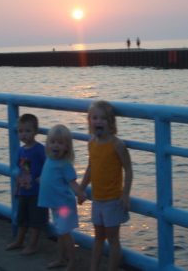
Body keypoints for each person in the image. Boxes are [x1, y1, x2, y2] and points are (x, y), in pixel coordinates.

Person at [80, 100, 133, 271]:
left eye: (103, 118)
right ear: (89, 121)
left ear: (111, 123)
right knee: (98, 237)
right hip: (97, 199)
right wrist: (81, 188)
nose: (98, 122)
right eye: (94, 118)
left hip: (112, 201)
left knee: (113, 239)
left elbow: (129, 170)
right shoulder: (91, 143)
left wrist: (125, 194)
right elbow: (90, 168)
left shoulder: (117, 145)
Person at [38, 124, 86, 271]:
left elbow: (72, 182)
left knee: (65, 233)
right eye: (52, 142)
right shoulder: (49, 159)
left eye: (60, 143)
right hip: (55, 204)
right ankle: (60, 258)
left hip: (64, 206)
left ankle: (71, 262)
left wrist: (80, 193)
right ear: (48, 144)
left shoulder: (65, 164)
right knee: (60, 232)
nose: (56, 146)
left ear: (67, 147)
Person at [6, 114, 48, 255]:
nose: (24, 134)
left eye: (27, 131)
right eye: (20, 131)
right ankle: (19, 240)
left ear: (35, 131)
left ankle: (33, 244)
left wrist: (43, 177)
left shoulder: (40, 149)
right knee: (22, 218)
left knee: (36, 220)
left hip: (37, 192)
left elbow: (48, 165)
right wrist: (16, 188)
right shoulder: (21, 150)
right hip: (23, 190)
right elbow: (19, 170)